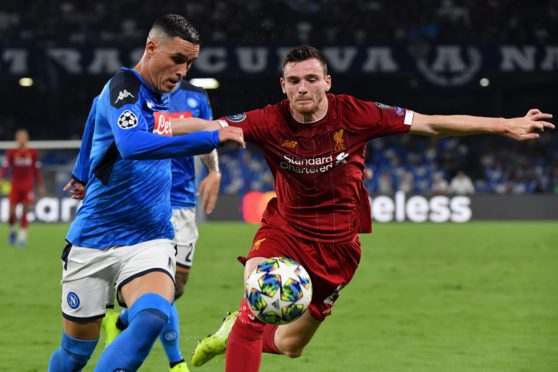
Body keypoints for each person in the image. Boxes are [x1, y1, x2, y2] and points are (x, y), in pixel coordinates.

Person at [171, 45, 554, 372]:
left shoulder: (356, 114)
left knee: (290, 345)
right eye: (294, 81)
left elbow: (432, 125)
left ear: (327, 82)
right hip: (284, 232)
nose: (303, 88)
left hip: (339, 249)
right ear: (283, 86)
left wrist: (503, 125)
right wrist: (139, 126)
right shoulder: (269, 120)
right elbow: (206, 125)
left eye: (311, 79)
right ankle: (243, 324)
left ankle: (229, 331)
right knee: (256, 306)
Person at [48, 14, 244, 372]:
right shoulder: (124, 86)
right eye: (177, 59)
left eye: (190, 63)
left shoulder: (157, 97)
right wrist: (212, 136)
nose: (183, 70)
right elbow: (133, 144)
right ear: (152, 47)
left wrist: (81, 172)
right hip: (93, 240)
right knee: (75, 353)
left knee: (154, 314)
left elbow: (132, 120)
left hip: (149, 238)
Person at [100, 81, 221, 372]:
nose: (178, 69)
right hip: (145, 198)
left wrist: (214, 170)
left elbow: (206, 132)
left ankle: (120, 321)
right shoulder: (133, 94)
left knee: (176, 286)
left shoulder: (196, 97)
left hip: (182, 202)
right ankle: (176, 362)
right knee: (161, 285)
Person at [0, 129, 44, 247]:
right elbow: (6, 167)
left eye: (23, 137)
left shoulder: (32, 152)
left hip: (27, 185)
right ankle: (13, 230)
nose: (21, 139)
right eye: (19, 137)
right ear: (17, 139)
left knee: (25, 211)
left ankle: (22, 238)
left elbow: (36, 170)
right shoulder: (12, 152)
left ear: (27, 138)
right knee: (12, 212)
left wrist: (40, 185)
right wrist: (1, 178)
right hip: (15, 185)